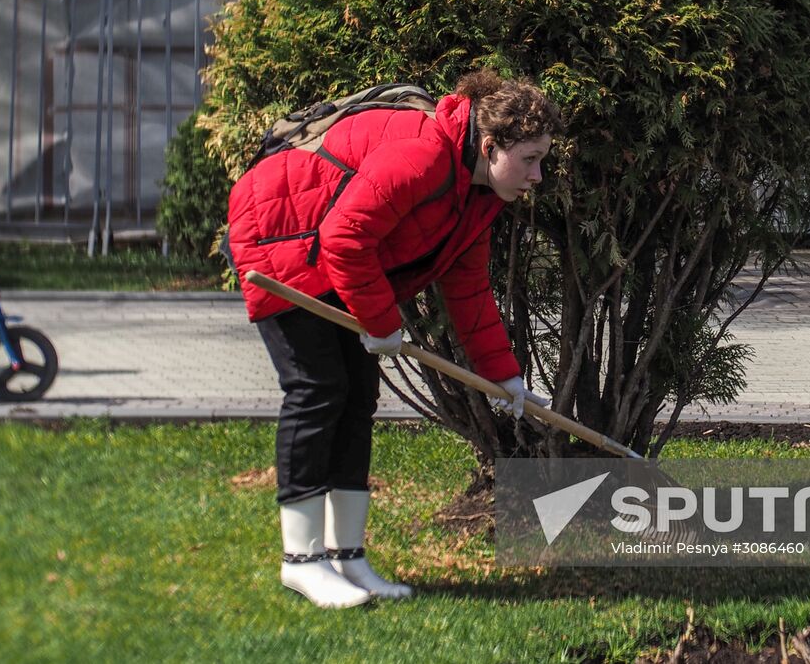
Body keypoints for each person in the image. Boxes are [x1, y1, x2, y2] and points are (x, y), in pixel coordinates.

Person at [226, 69, 563, 608]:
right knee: (318, 390)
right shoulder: (422, 155)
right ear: (489, 145)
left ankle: (348, 557)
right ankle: (302, 561)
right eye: (530, 159)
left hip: (327, 255)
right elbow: (344, 237)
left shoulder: (478, 196)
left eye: (542, 160)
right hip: (279, 240)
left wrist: (505, 376)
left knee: (357, 399)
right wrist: (384, 325)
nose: (538, 175)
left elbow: (469, 289)